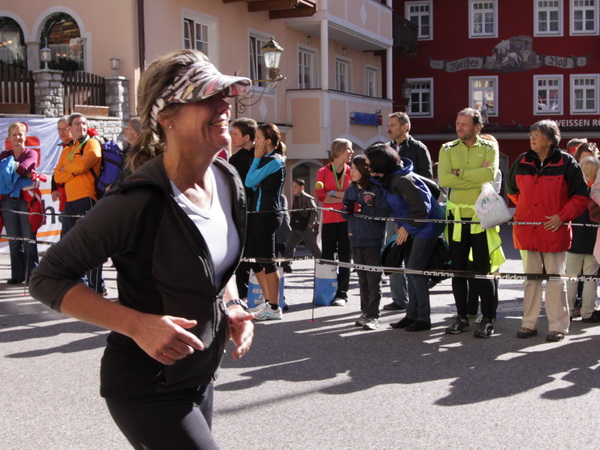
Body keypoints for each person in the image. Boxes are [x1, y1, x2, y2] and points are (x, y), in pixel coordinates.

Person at [29, 49, 254, 449]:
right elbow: (47, 279)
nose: (224, 106)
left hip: (199, 376)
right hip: (147, 386)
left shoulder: (226, 178)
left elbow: (215, 265)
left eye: (224, 95)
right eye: (207, 97)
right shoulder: (138, 199)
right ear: (167, 117)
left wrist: (232, 304)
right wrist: (136, 324)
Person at [506, 119, 589, 342]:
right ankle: (528, 324)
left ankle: (558, 326)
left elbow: (581, 196)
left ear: (551, 140)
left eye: (538, 135)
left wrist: (562, 216)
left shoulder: (567, 162)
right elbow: (511, 191)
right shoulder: (522, 160)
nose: (532, 138)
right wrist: (527, 211)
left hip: (554, 229)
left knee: (556, 280)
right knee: (531, 280)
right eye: (531, 134)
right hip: (528, 230)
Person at [438, 108, 504, 338]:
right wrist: (473, 175)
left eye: (464, 124)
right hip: (457, 218)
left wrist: (459, 173)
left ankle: (487, 318)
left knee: (483, 270)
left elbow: (490, 175)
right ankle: (461, 317)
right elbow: (444, 179)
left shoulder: (490, 147)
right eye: (458, 123)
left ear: (477, 127)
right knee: (458, 271)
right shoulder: (447, 148)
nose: (459, 127)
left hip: (481, 218)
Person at [367, 143, 445, 331]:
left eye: (369, 164)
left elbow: (422, 209)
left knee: (415, 271)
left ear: (380, 164)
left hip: (426, 226)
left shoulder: (402, 180)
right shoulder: (388, 179)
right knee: (411, 271)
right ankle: (411, 314)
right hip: (412, 226)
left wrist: (406, 228)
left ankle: (423, 318)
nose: (367, 168)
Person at [53, 113, 106, 296]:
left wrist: (68, 170)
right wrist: (74, 170)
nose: (81, 126)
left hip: (87, 199)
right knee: (69, 245)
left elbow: (87, 163)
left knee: (90, 246)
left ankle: (96, 287)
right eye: (76, 124)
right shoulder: (67, 149)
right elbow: (57, 176)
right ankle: (79, 286)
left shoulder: (91, 143)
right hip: (70, 201)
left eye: (83, 123)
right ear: (70, 128)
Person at [385, 112, 433, 312]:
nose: (389, 128)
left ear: (405, 127)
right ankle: (399, 299)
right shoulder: (387, 148)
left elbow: (427, 180)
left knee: (412, 260)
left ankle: (415, 306)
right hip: (393, 210)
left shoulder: (418, 148)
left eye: (393, 125)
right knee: (394, 253)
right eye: (388, 124)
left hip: (413, 212)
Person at [341, 154, 390, 330]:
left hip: (373, 241)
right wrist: (347, 210)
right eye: (351, 168)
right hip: (355, 240)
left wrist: (362, 209)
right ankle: (365, 312)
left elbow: (384, 213)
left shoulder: (376, 189)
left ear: (364, 169)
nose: (351, 171)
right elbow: (344, 214)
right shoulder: (350, 190)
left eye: (355, 168)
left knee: (373, 280)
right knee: (362, 280)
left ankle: (374, 316)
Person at [245, 122, 286, 321]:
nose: (256, 142)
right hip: (259, 213)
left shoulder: (275, 161)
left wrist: (256, 158)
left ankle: (275, 307)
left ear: (268, 141)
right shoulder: (267, 160)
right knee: (254, 258)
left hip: (268, 214)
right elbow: (254, 185)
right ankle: (269, 301)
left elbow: (249, 182)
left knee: (268, 261)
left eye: (259, 138)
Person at [315, 138, 353, 306]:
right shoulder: (323, 171)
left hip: (346, 220)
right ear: (339, 151)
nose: (352, 152)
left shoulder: (351, 171)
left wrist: (332, 193)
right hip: (329, 220)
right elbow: (320, 197)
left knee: (345, 257)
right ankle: (327, 291)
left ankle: (342, 294)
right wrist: (341, 195)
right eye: (349, 149)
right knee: (327, 256)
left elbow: (351, 196)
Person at [0, 122, 39, 284]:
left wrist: (9, 169)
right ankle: (17, 275)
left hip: (26, 201)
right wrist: (21, 172)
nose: (17, 137)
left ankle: (33, 277)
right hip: (7, 201)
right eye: (14, 134)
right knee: (14, 240)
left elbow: (23, 168)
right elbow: (22, 171)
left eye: (20, 134)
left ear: (25, 137)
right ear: (9, 138)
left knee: (28, 239)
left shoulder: (31, 153)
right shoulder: (4, 154)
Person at [566, 156, 600, 322]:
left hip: (574, 240)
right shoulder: (597, 193)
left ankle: (568, 311)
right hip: (593, 242)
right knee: (590, 279)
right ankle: (587, 312)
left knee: (571, 279)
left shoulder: (574, 191)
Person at [229, 117, 257, 299]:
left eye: (235, 134)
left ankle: (271, 296)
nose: (232, 137)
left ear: (247, 137)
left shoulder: (263, 156)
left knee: (262, 255)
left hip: (260, 211)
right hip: (242, 212)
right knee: (242, 253)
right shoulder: (234, 159)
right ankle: (242, 293)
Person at [282, 178, 321, 271]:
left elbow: (314, 211)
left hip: (305, 227)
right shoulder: (295, 197)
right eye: (292, 186)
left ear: (301, 187)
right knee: (289, 245)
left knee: (313, 247)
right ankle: (286, 265)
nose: (293, 188)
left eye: (295, 186)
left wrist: (310, 224)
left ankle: (321, 264)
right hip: (296, 226)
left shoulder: (307, 198)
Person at [50, 117, 73, 207]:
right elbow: (58, 168)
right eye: (59, 129)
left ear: (71, 128)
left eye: (65, 129)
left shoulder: (76, 145)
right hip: (64, 192)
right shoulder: (65, 146)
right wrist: (54, 188)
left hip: (75, 192)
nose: (61, 132)